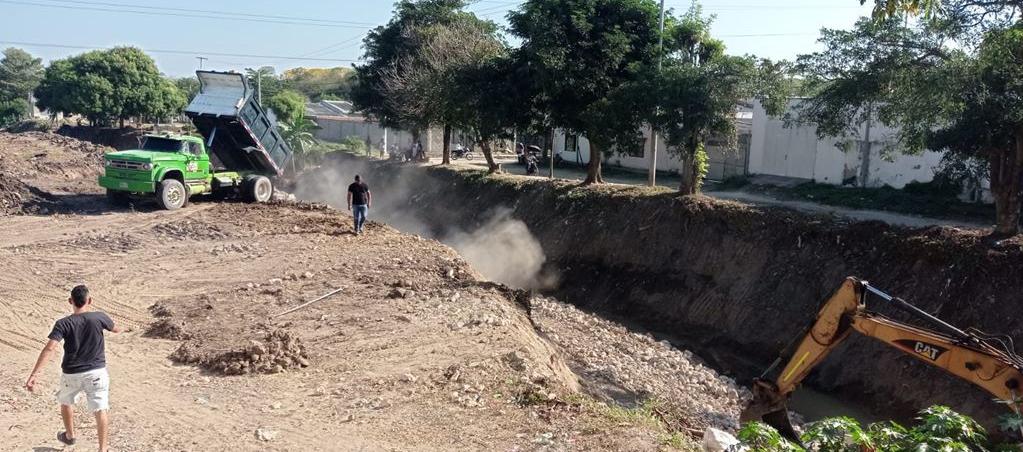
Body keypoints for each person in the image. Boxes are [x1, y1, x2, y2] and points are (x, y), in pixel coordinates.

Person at [25, 285, 122, 452]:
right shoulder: (99, 317)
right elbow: (115, 329)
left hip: (71, 374)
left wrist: (34, 374)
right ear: (89, 301)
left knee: (66, 401)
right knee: (100, 408)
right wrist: (125, 329)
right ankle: (103, 449)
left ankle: (70, 436)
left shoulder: (63, 323)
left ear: (71, 301)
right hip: (96, 373)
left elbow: (50, 348)